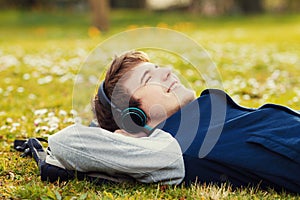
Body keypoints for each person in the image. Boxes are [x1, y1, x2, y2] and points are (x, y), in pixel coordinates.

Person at [47, 51, 300, 193]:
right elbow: (66, 142)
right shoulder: (167, 149)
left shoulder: (202, 115)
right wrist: (125, 137)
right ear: (134, 118)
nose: (167, 71)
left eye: (157, 67)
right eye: (148, 78)